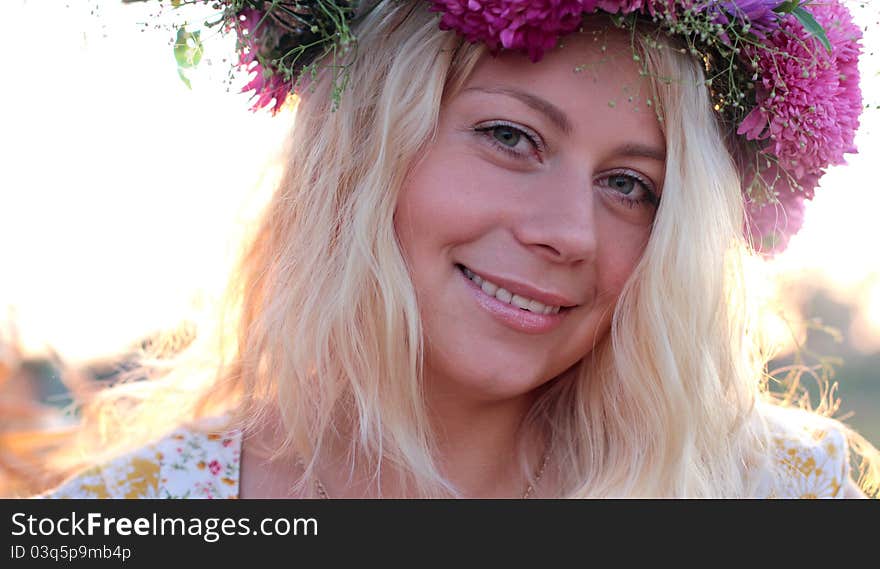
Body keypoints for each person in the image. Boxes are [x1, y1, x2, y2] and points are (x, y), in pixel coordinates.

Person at [38, 0, 878, 498]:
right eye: (511, 136)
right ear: (362, 150)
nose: (569, 231)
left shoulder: (783, 489)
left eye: (632, 186)